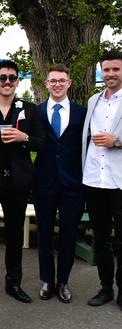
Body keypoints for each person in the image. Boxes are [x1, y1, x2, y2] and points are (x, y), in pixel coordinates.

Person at [0, 59, 45, 304]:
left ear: (17, 82)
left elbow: (41, 143)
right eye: (3, 78)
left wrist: (24, 137)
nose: (7, 82)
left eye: (12, 78)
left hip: (17, 181)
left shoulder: (29, 109)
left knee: (14, 234)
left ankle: (13, 283)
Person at [33, 64, 86, 303]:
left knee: (68, 235)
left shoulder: (81, 114)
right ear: (46, 84)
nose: (57, 84)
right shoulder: (37, 112)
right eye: (52, 80)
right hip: (44, 182)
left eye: (61, 80)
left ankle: (63, 281)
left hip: (72, 184)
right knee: (44, 234)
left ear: (69, 83)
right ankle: (47, 280)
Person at [81, 50, 122, 309]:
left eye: (115, 69)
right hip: (95, 180)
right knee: (102, 239)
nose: (110, 74)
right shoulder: (93, 100)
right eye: (106, 70)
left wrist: (116, 141)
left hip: (119, 182)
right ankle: (105, 288)